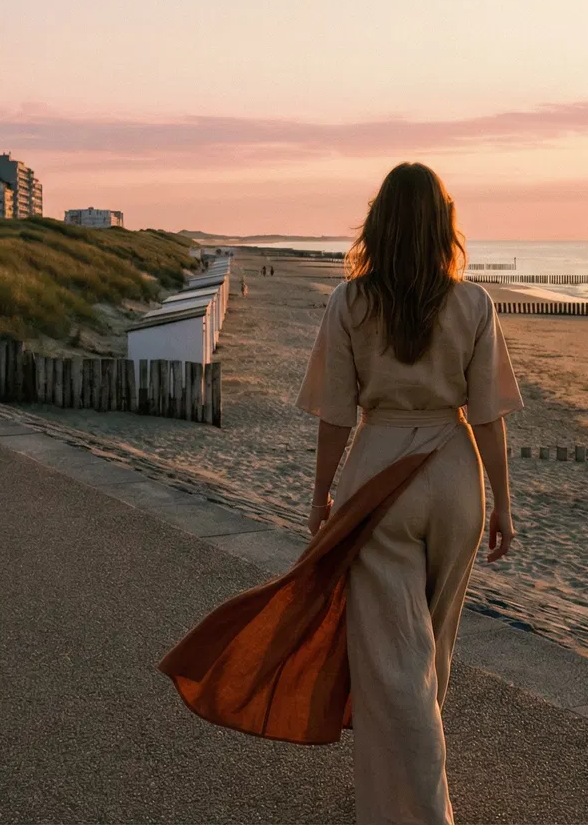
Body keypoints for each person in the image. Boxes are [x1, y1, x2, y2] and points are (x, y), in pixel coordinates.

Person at [160, 163, 521, 824]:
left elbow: (336, 415)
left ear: (378, 225)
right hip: (455, 472)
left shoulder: (351, 303)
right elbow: (489, 416)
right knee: (433, 643)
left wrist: (321, 495)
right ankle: (412, 785)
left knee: (394, 657)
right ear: (443, 227)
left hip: (382, 473)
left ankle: (415, 809)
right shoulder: (472, 304)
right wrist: (501, 502)